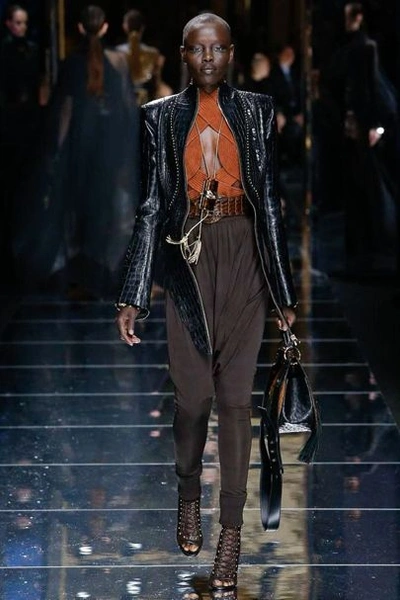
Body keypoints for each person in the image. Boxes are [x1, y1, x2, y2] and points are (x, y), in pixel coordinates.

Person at [116, 13, 296, 591]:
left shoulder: (258, 112)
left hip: (244, 258)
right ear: (184, 55)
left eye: (218, 48)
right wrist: (134, 292)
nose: (210, 58)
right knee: (192, 400)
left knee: (237, 402)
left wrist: (283, 294)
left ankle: (231, 537)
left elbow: (270, 204)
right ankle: (188, 489)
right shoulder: (160, 118)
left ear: (231, 53)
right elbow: (151, 206)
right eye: (199, 49)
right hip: (189, 261)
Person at [12, 5, 139, 298]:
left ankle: (81, 277)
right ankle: (103, 273)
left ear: (80, 28)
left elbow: (65, 112)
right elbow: (127, 110)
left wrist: (55, 152)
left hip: (80, 146)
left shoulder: (71, 63)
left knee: (78, 208)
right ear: (105, 28)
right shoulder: (119, 62)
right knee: (105, 209)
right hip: (109, 148)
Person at [327, 2, 397, 273]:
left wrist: (376, 127)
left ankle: (369, 249)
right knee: (359, 188)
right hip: (357, 127)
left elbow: (372, 89)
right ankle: (363, 249)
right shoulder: (353, 47)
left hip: (364, 127)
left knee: (368, 187)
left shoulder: (365, 48)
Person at [116, 8, 166, 105]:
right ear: (142, 28)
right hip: (146, 103)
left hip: (122, 102)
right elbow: (157, 85)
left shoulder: (116, 53)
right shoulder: (153, 53)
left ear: (125, 27)